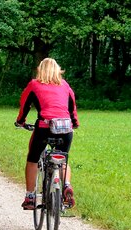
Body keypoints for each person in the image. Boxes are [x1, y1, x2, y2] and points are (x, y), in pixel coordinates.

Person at [15, 58, 79, 210]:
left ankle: (30, 197)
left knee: (32, 159)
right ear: (58, 70)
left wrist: (21, 121)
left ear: (40, 70)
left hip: (44, 127)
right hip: (65, 128)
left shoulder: (34, 85)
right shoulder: (65, 85)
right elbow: (72, 107)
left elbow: (24, 105)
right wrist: (74, 123)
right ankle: (66, 185)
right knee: (62, 159)